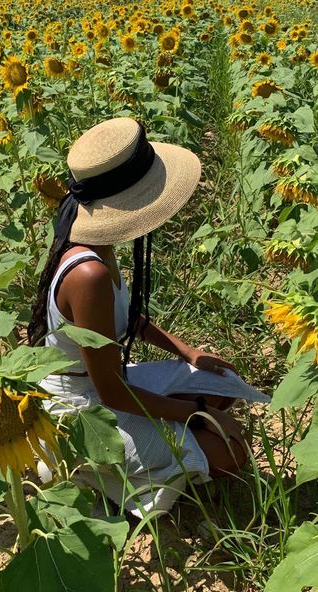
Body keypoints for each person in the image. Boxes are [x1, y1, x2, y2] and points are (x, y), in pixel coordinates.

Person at [28, 117, 270, 518]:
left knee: (221, 385)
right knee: (230, 450)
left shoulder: (97, 243)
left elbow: (130, 318)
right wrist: (198, 413)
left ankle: (145, 449)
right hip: (81, 410)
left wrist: (188, 352)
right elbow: (112, 394)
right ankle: (83, 468)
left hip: (109, 381)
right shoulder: (88, 274)